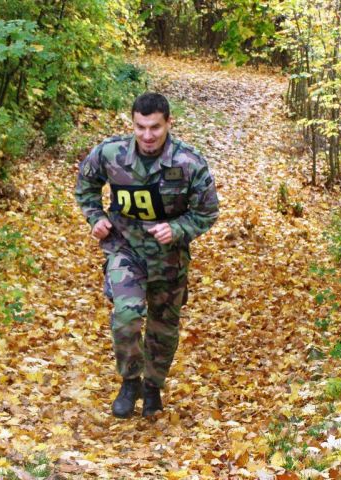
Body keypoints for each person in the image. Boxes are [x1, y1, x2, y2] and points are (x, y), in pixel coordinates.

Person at [74, 92, 219, 418]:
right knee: (126, 315)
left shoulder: (188, 163)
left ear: (168, 123)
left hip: (169, 258)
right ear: (133, 124)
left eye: (155, 127)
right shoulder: (111, 153)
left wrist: (178, 228)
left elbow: (207, 212)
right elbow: (85, 185)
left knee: (163, 328)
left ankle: (152, 387)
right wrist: (95, 217)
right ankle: (130, 382)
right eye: (140, 127)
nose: (148, 135)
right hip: (125, 248)